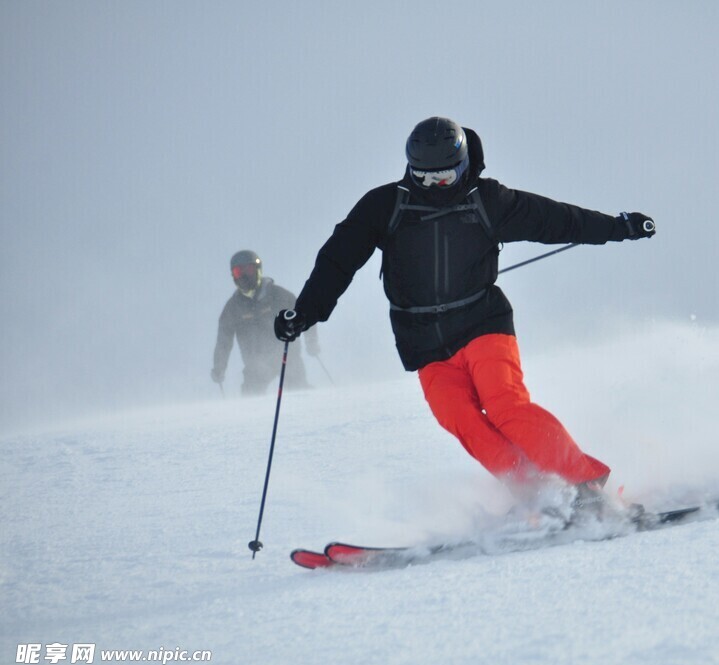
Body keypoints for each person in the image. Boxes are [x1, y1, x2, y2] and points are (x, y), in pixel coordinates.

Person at [274, 117, 654, 516]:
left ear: (462, 163)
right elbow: (339, 259)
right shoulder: (385, 205)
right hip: (425, 342)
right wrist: (304, 313)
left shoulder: (487, 200)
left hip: (482, 323)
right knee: (462, 421)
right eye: (425, 177)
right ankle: (538, 495)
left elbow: (556, 219)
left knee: (506, 406)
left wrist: (618, 227)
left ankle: (585, 484)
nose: (436, 185)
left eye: (445, 176)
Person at [212, 250, 317, 395]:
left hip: (286, 357)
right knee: (251, 396)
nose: (243, 276)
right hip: (255, 364)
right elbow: (223, 341)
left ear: (258, 270)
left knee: (298, 390)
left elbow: (304, 314)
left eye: (248, 270)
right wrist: (219, 367)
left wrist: (311, 342)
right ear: (233, 276)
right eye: (238, 272)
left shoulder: (280, 296)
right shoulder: (233, 308)